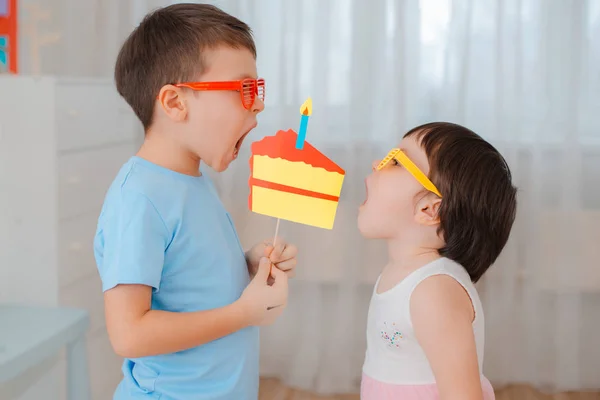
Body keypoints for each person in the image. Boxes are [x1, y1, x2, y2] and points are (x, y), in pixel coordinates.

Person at [93, 4, 298, 399]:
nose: (258, 105)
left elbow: (186, 277)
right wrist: (243, 313)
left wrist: (246, 264)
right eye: (243, 90)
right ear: (174, 103)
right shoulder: (139, 199)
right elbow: (129, 334)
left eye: (258, 90)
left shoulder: (192, 180)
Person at [358, 122, 517, 399]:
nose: (376, 163)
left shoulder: (433, 291)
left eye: (395, 161)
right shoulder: (401, 273)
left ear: (429, 209)